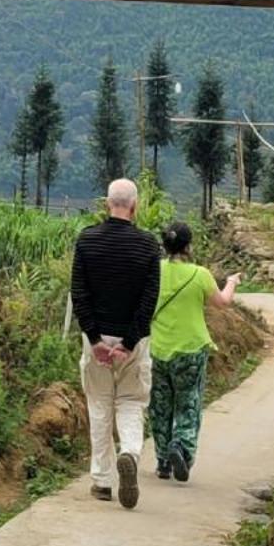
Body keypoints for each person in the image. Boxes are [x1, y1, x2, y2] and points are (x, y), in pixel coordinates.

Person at [69, 177, 161, 509]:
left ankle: (102, 481)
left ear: (107, 204)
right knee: (132, 402)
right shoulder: (149, 245)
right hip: (133, 343)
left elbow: (79, 294)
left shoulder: (87, 240)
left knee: (99, 405)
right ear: (135, 207)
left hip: (97, 341)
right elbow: (149, 300)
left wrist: (94, 339)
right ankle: (131, 454)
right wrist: (130, 341)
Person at [150, 221, 240, 483]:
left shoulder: (154, 270)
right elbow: (222, 303)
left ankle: (163, 462)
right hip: (191, 350)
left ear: (165, 245)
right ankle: (181, 447)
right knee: (188, 404)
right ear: (188, 246)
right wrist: (232, 282)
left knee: (160, 407)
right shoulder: (199, 274)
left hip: (158, 349)